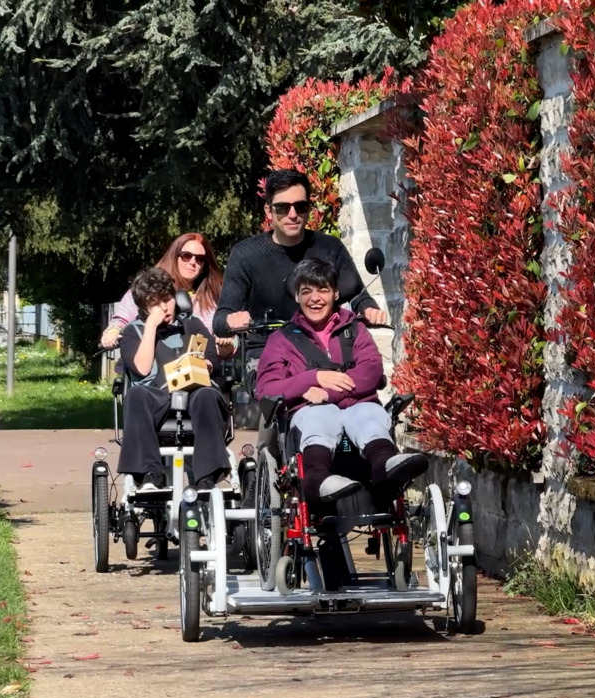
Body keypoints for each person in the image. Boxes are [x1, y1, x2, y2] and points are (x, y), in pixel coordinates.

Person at [255, 258, 425, 507]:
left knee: (369, 415)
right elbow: (267, 389)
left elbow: (371, 371)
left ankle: (385, 465)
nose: (315, 298)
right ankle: (317, 479)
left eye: (322, 290)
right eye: (306, 291)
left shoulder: (355, 329)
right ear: (297, 296)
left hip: (358, 407)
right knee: (320, 416)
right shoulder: (281, 340)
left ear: (335, 293)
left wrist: (327, 392)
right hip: (310, 413)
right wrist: (313, 377)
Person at [213, 169, 388, 367]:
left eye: (300, 206)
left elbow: (357, 295)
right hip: (268, 355)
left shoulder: (330, 247)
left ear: (309, 208)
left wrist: (368, 309)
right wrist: (232, 320)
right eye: (282, 208)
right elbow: (219, 320)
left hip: (324, 351)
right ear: (268, 211)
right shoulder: (246, 254)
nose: (293, 215)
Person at [117, 268, 230, 489]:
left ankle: (206, 477)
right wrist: (151, 326)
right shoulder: (133, 332)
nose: (163, 308)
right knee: (136, 394)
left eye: (166, 300)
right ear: (144, 308)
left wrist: (203, 365)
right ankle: (149, 474)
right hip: (157, 395)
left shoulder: (192, 324)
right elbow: (141, 369)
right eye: (154, 304)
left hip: (194, 392)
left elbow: (213, 361)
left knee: (208, 395)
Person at [101, 233, 234, 358]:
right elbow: (121, 319)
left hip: (194, 368)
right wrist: (112, 332)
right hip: (150, 367)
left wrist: (226, 345)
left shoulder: (214, 297)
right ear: (175, 256)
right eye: (186, 256)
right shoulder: (149, 284)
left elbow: (226, 343)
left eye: (200, 259)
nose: (193, 262)